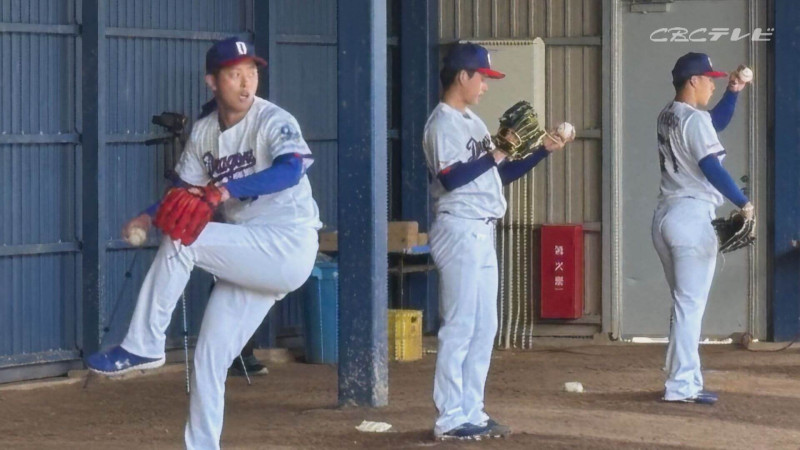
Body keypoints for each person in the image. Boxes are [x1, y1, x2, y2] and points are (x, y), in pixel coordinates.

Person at [85, 37, 321, 449]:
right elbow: (185, 192)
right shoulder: (205, 131)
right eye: (235, 74)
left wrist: (226, 189)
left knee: (186, 238)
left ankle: (144, 344)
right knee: (209, 357)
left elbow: (290, 170)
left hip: (287, 243)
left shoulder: (273, 119)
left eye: (252, 73)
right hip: (248, 251)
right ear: (212, 81)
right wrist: (149, 215)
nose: (246, 83)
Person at [422, 42, 570, 441]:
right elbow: (451, 178)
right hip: (459, 227)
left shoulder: (472, 121)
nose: (486, 85)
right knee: (460, 324)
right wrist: (497, 152)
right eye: (482, 77)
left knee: (485, 325)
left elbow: (496, 176)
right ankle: (450, 417)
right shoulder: (441, 123)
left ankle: (472, 409)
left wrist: (541, 151)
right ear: (462, 76)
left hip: (483, 228)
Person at [653, 52, 753, 404]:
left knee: (684, 304)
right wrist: (742, 201)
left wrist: (733, 91)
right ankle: (681, 385)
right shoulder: (693, 119)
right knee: (689, 305)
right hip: (691, 218)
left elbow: (713, 123)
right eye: (709, 78)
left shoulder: (670, 113)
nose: (712, 83)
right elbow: (711, 165)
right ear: (692, 80)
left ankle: (685, 378)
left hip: (665, 216)